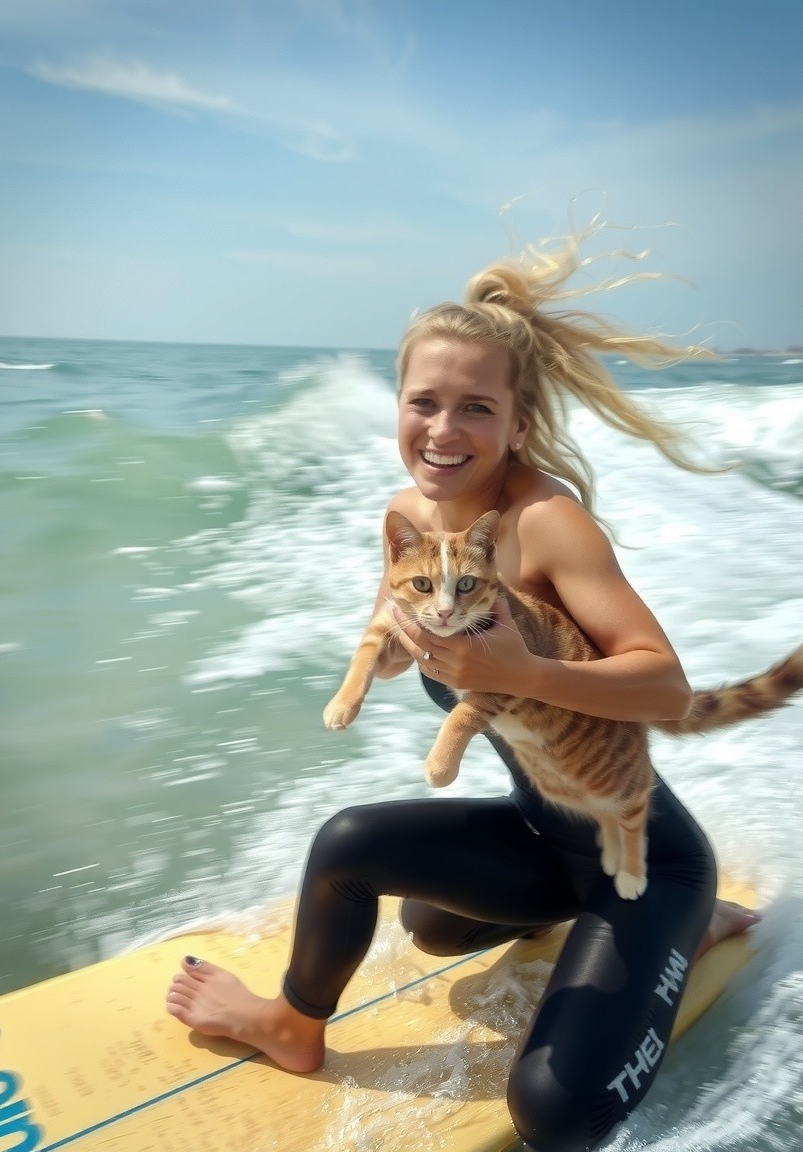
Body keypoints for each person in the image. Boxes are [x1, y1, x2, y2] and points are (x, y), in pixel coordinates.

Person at [165, 220, 760, 1151]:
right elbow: (405, 646)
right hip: (542, 833)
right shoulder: (410, 519)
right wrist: (387, 656)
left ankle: (684, 920)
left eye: (476, 408)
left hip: (643, 854)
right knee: (394, 889)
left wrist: (526, 671)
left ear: (518, 424)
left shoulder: (548, 523)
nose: (443, 431)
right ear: (399, 407)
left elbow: (667, 689)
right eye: (424, 402)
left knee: (554, 1115)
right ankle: (292, 1024)